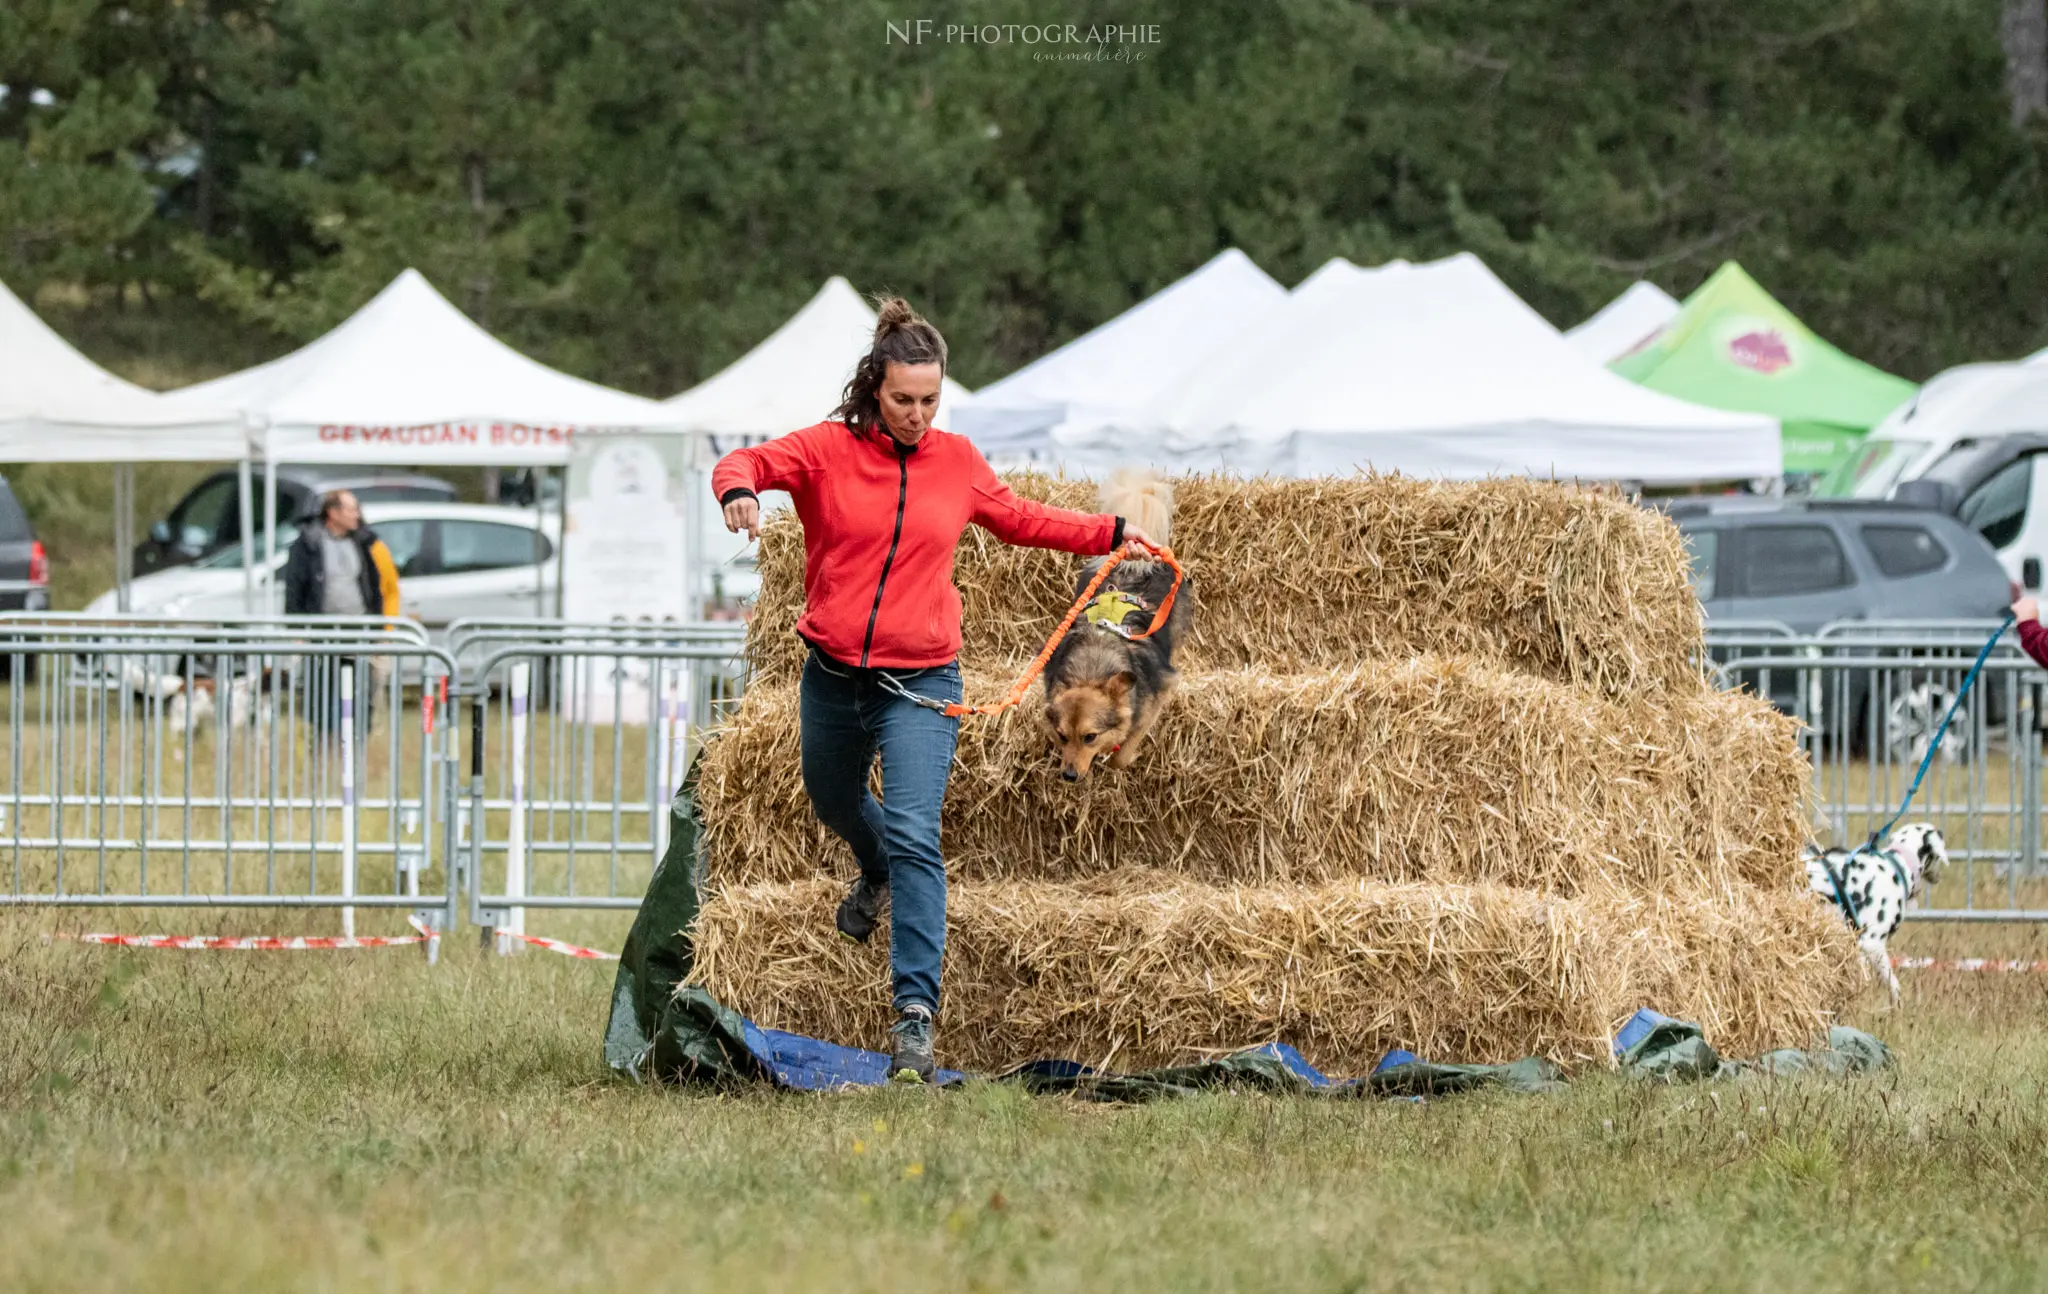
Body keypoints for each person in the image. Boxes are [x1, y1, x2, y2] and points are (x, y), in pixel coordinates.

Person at [711, 299, 1153, 1083]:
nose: (917, 416)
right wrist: (738, 493)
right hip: (834, 674)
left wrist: (1112, 534)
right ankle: (870, 866)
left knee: (918, 833)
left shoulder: (955, 461)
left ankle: (914, 1017)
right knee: (834, 799)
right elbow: (743, 461)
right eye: (902, 400)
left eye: (930, 401)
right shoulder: (824, 451)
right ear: (873, 389)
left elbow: (1020, 519)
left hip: (920, 681)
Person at [282, 490, 401, 732]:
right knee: (323, 695)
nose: (357, 514)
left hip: (360, 633)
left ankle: (356, 746)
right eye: (351, 509)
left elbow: (375, 587)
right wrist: (297, 629)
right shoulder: (308, 544)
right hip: (322, 634)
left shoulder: (365, 543)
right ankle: (325, 747)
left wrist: (380, 628)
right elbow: (295, 587)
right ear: (333, 512)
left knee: (362, 694)